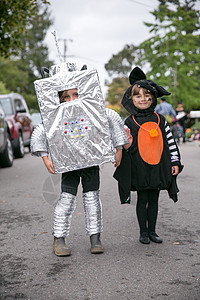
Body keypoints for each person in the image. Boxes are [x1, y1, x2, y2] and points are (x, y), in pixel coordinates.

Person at [31, 87, 127, 256]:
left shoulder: (93, 110)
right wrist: (46, 157)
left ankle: (95, 238)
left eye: (76, 94)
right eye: (66, 96)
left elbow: (112, 118)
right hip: (68, 164)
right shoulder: (56, 115)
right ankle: (59, 238)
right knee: (66, 199)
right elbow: (41, 131)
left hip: (91, 163)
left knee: (92, 199)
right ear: (59, 100)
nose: (72, 99)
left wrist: (118, 148)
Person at [114, 66, 183, 245]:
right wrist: (125, 145)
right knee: (142, 199)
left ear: (152, 97)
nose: (143, 99)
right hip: (139, 167)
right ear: (131, 99)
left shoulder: (160, 119)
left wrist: (175, 161)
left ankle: (152, 231)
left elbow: (170, 143)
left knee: (154, 199)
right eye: (138, 96)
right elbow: (125, 144)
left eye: (146, 95)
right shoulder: (129, 121)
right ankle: (143, 232)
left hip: (158, 166)